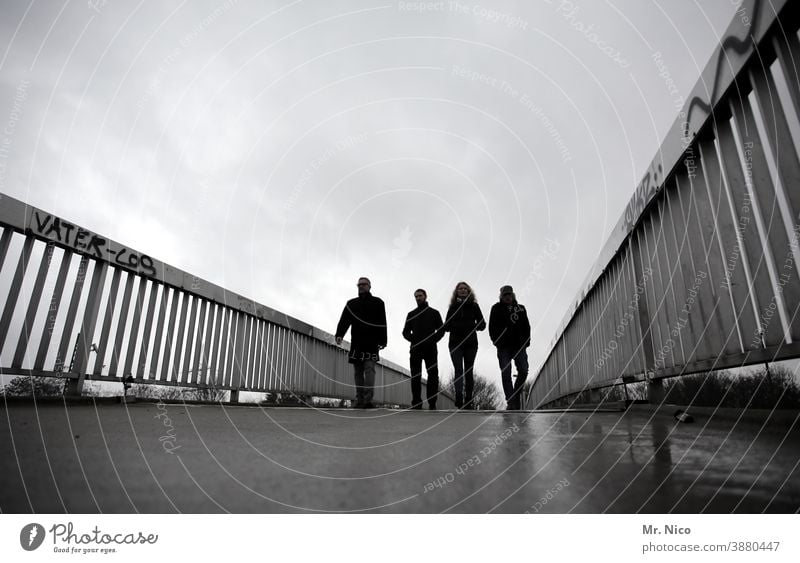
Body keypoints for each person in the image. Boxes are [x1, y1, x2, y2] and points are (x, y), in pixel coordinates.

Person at [335, 277, 387, 409]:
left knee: (369, 369)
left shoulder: (378, 302)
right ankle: (360, 400)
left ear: (370, 286)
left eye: (364, 284)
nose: (361, 286)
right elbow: (344, 320)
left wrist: (383, 340)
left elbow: (382, 322)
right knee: (358, 371)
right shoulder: (351, 303)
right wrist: (339, 334)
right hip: (357, 342)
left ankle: (367, 400)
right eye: (359, 285)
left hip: (372, 342)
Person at [443, 281, 486, 409]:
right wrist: (454, 326)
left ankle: (469, 399)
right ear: (456, 292)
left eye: (465, 289)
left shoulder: (474, 306)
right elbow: (446, 326)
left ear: (468, 291)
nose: (462, 290)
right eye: (460, 289)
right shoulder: (452, 307)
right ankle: (459, 398)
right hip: (455, 343)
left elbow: (482, 324)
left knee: (468, 371)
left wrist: (472, 326)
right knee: (458, 370)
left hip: (471, 344)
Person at [489, 285, 531, 410]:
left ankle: (515, 396)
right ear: (501, 296)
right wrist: (497, 341)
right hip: (503, 347)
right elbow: (492, 327)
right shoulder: (496, 308)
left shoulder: (520, 308)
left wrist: (526, 342)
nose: (507, 297)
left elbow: (526, 326)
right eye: (505, 295)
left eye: (509, 295)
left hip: (519, 346)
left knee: (523, 370)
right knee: (506, 373)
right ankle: (511, 401)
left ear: (513, 295)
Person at [402, 289, 444, 410]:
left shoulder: (434, 313)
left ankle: (432, 403)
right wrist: (413, 339)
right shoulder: (411, 314)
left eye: (420, 296)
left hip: (430, 349)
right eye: (416, 296)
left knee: (433, 375)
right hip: (415, 349)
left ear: (425, 296)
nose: (418, 298)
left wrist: (433, 340)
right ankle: (416, 402)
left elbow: (441, 330)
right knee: (415, 375)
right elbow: (405, 332)